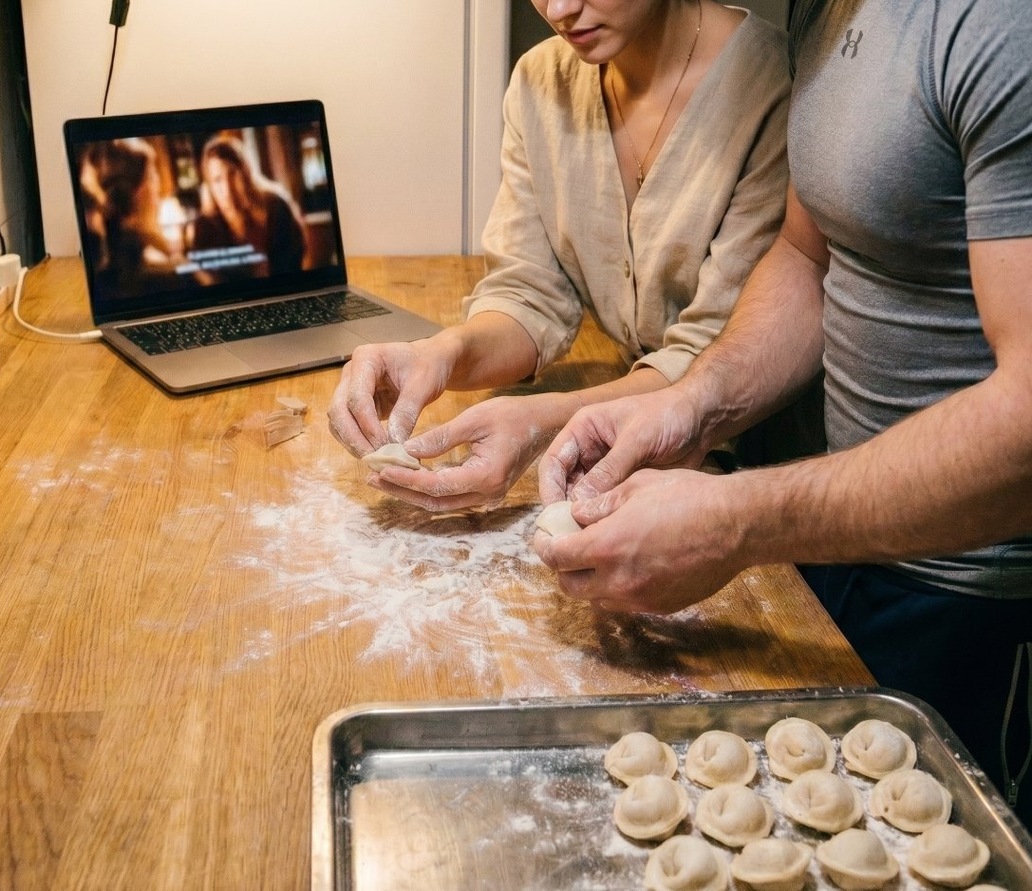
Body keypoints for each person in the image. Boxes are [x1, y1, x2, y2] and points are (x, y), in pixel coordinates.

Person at [534, 0, 1032, 826]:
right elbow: (807, 257)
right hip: (839, 550)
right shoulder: (823, 10)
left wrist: (738, 521)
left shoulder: (996, 24)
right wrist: (687, 408)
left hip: (974, 605)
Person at [326, 0, 791, 511]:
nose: (560, 9)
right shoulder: (541, 80)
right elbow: (529, 296)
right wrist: (440, 354)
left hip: (769, 474)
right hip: (640, 450)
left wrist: (542, 422)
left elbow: (715, 357)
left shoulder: (776, 85)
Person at [188, 133, 308, 278]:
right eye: (217, 180)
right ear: (209, 186)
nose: (227, 189)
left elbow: (295, 264)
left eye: (232, 174)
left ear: (246, 173)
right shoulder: (204, 227)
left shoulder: (276, 208)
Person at [83, 137, 186, 300]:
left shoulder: (105, 254)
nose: (157, 191)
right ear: (138, 192)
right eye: (152, 177)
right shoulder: (161, 273)